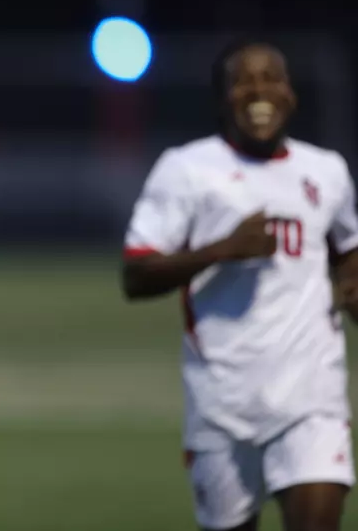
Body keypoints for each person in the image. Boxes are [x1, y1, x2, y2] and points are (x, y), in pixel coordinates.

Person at [121, 38, 358, 531]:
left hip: (311, 397)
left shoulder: (327, 172)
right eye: (244, 81)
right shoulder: (186, 170)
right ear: (222, 97)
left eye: (272, 78)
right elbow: (136, 274)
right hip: (222, 401)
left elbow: (349, 253)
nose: (259, 91)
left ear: (291, 92)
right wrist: (219, 250)